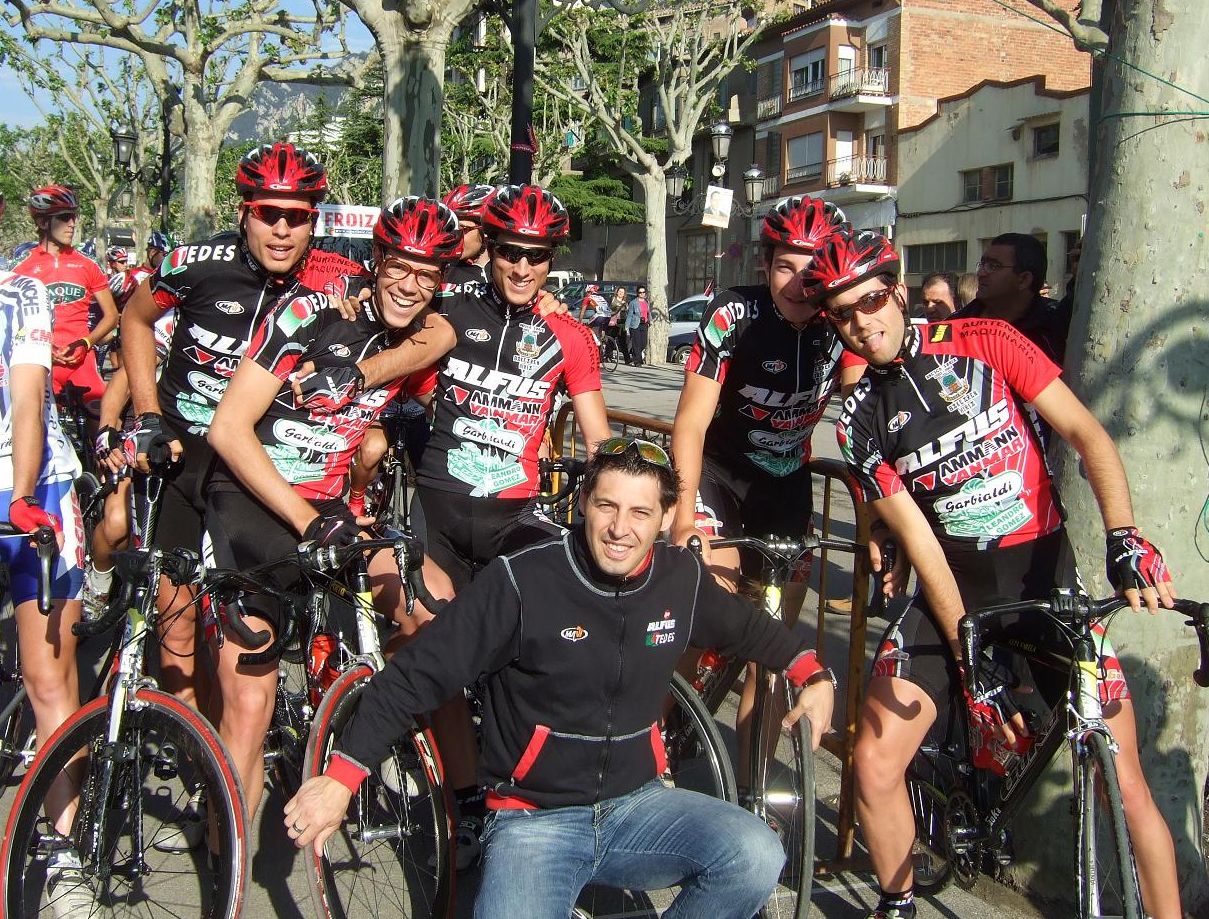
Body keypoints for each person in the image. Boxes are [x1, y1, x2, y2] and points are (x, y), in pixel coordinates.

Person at [283, 439, 839, 919]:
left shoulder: (680, 579)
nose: (620, 529)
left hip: (637, 806)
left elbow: (753, 631)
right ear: (582, 503)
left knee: (754, 853)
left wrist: (815, 675)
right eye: (607, 506)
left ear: (667, 517)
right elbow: (415, 676)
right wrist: (342, 777)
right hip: (534, 822)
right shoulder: (521, 581)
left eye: (641, 513)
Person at [802, 229, 1182, 919]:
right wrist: (967, 657)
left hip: (1041, 583)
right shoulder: (859, 420)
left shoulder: (988, 340)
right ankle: (897, 899)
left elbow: (1088, 435)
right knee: (873, 762)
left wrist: (1124, 536)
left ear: (898, 291)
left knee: (1126, 788)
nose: (862, 322)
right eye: (842, 314)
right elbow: (920, 543)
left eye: (872, 301)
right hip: (953, 590)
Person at [121, 141, 452, 706]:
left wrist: (359, 375)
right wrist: (146, 414)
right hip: (186, 451)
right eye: (268, 213)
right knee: (177, 621)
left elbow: (436, 329)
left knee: (238, 634)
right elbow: (133, 318)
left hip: (260, 464)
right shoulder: (194, 263)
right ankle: (188, 732)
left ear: (313, 221)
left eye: (296, 217)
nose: (281, 230)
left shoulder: (342, 277)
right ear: (243, 212)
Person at [204, 195, 461, 831]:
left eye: (427, 275)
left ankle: (368, 716)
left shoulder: (419, 334)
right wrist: (308, 520)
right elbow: (227, 428)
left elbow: (444, 335)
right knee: (251, 704)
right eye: (398, 267)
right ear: (376, 260)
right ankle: (225, 855)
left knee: (437, 610)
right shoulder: (312, 310)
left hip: (328, 505)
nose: (409, 286)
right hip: (252, 498)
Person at [669, 194, 864, 772]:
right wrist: (683, 517)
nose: (798, 284)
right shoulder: (734, 313)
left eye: (812, 269)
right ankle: (654, 751)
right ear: (765, 265)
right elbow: (690, 422)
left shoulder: (842, 322)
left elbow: (864, 417)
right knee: (707, 614)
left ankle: (752, 785)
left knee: (773, 652)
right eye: (785, 267)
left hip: (785, 490)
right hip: (719, 479)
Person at [0, 258, 89, 912]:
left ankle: (65, 847)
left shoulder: (20, 292)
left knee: (48, 677)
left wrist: (23, 495)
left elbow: (28, 399)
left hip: (37, 489)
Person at [12, 185, 119, 407]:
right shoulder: (20, 269)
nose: (72, 223)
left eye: (73, 216)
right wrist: (39, 347)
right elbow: (10, 323)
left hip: (81, 360)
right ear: (42, 222)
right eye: (64, 217)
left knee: (104, 415)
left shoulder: (88, 265)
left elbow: (111, 316)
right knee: (30, 420)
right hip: (39, 360)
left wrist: (86, 342)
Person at [953, 232, 1070, 366]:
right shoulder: (957, 324)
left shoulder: (1055, 325)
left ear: (1024, 279)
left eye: (993, 266)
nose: (981, 273)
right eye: (982, 264)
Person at [625, 285, 650, 365]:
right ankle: (637, 361)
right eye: (640, 292)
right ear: (637, 293)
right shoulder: (633, 303)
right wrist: (627, 326)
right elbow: (629, 315)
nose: (642, 294)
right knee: (637, 343)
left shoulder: (646, 302)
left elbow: (648, 313)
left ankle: (635, 354)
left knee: (643, 343)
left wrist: (650, 321)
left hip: (644, 324)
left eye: (643, 292)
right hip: (635, 324)